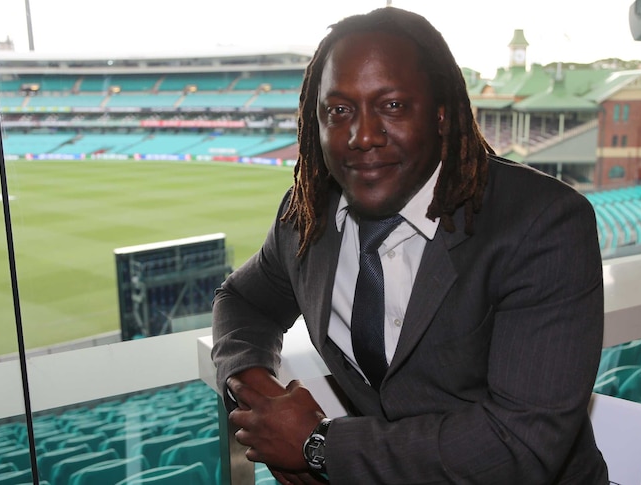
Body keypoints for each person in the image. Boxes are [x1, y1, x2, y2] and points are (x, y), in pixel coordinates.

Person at [212, 6, 608, 484]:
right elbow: (242, 300)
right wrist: (261, 397)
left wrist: (318, 446)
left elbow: (519, 444)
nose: (362, 136)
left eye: (392, 105)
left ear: (442, 114)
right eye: (339, 110)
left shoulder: (543, 224)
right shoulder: (307, 217)